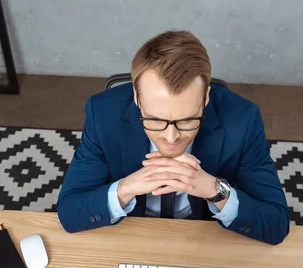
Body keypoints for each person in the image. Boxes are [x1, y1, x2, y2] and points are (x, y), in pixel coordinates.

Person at [57, 30, 290, 244]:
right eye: (155, 120)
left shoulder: (244, 119)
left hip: (206, 239)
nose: (171, 137)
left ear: (206, 98)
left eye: (188, 120)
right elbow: (70, 211)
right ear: (137, 98)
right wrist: (126, 188)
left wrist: (216, 190)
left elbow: (276, 224)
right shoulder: (103, 114)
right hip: (129, 235)